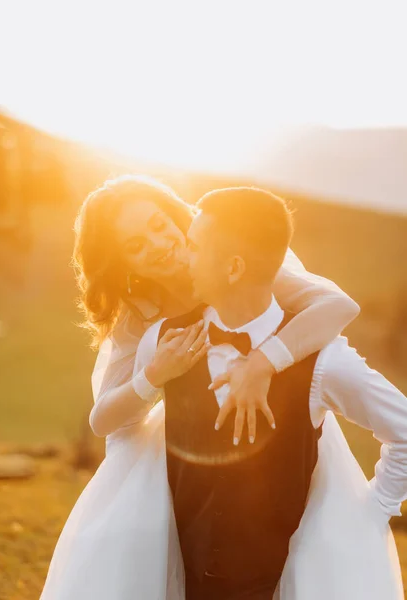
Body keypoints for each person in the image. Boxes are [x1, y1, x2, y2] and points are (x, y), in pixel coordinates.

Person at [40, 175, 359, 600]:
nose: (156, 244)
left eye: (158, 224)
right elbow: (104, 420)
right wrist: (152, 375)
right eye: (135, 246)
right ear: (124, 265)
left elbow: (339, 306)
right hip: (187, 446)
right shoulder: (139, 315)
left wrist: (263, 362)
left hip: (278, 430)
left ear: (175, 216)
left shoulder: (233, 260)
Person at [133, 187, 406, 599]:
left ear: (233, 267)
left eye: (195, 246)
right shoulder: (168, 341)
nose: (182, 257)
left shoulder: (324, 362)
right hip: (179, 577)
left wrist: (371, 513)